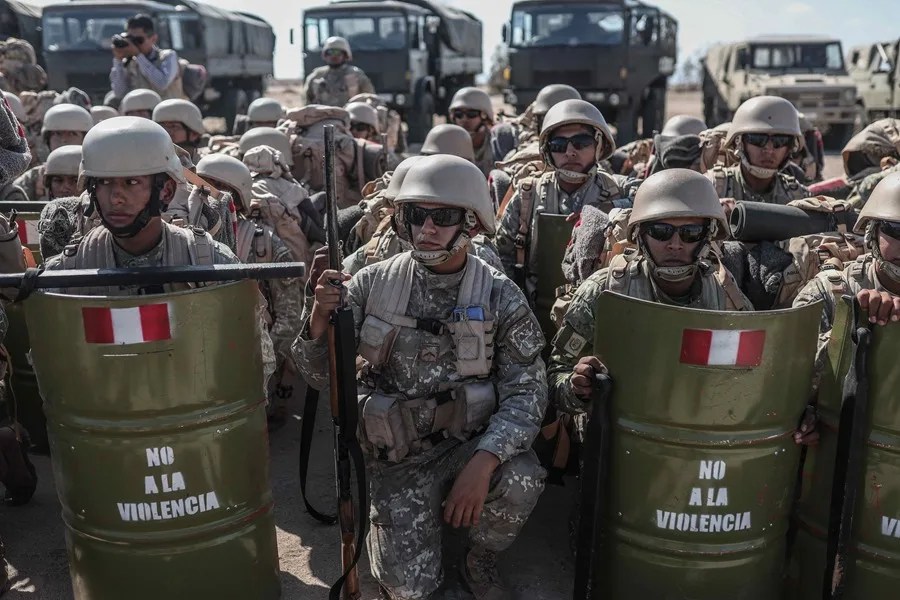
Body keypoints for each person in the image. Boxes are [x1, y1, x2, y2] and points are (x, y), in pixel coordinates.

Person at [293, 154, 547, 600]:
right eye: (415, 216)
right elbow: (319, 378)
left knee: (521, 476)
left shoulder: (497, 294)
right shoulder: (370, 283)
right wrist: (317, 318)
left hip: (467, 445)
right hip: (396, 461)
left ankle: (478, 555)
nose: (426, 230)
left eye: (443, 217)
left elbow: (528, 391)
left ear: (470, 223)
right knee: (408, 589)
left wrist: (484, 462)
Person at [548, 169, 755, 427]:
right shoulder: (605, 291)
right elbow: (555, 377)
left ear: (706, 236)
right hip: (616, 435)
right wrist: (577, 388)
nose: (675, 244)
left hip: (700, 432)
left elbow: (753, 374)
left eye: (690, 233)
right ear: (640, 235)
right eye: (660, 231)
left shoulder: (724, 294)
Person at [43, 117, 237, 283]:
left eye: (132, 182)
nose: (115, 198)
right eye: (104, 182)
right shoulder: (67, 271)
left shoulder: (212, 262)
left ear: (166, 192)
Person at [196, 153, 303, 430]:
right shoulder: (180, 240)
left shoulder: (263, 245)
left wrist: (267, 366)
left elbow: (290, 314)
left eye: (214, 190)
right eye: (200, 189)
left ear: (236, 198)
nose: (204, 199)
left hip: (252, 353)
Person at [495, 99, 626, 300]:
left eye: (581, 143)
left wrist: (610, 207)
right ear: (548, 151)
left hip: (595, 311)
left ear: (599, 145)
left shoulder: (616, 190)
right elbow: (502, 256)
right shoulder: (527, 194)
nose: (570, 152)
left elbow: (655, 197)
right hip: (533, 309)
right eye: (559, 145)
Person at [706, 95, 809, 206]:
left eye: (780, 141)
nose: (769, 150)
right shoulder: (711, 186)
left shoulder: (797, 196)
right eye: (758, 139)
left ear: (789, 147)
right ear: (740, 142)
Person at [14, 104, 92, 201]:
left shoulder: (95, 174)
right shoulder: (31, 179)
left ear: (85, 138)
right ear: (47, 139)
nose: (63, 140)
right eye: (57, 134)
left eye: (72, 134)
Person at [109, 14, 186, 101]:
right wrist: (118, 60)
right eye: (130, 39)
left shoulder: (167, 56)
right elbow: (119, 93)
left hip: (166, 111)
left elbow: (162, 83)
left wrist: (139, 56)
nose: (134, 44)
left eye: (139, 40)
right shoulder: (129, 62)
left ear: (153, 39)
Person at [303, 36, 374, 107]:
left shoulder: (356, 75)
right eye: (330, 52)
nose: (333, 56)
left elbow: (370, 99)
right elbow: (307, 102)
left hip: (350, 116)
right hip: (322, 116)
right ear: (325, 55)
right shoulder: (316, 76)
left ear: (345, 55)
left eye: (337, 52)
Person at [448, 87, 499, 177]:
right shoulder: (448, 143)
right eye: (459, 114)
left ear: (484, 116)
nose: (464, 119)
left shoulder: (498, 144)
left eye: (471, 114)